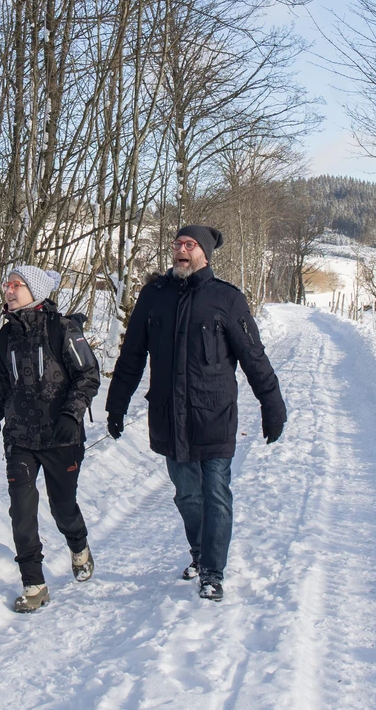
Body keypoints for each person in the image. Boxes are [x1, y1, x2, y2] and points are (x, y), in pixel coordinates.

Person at [104, 225, 285, 602]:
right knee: (187, 495)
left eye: (190, 245)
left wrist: (273, 405)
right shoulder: (153, 296)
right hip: (169, 415)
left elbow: (253, 356)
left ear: (205, 254)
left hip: (214, 413)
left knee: (216, 493)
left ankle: (213, 572)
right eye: (177, 244)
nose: (181, 250)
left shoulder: (226, 299)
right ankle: (201, 553)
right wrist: (116, 404)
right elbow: (133, 355)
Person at [0, 264, 100, 613]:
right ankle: (34, 584)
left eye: (17, 284)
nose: (9, 289)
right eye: (7, 283)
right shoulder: (5, 339)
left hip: (62, 437)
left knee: (63, 508)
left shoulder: (62, 330)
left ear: (36, 291)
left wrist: (70, 414)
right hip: (20, 439)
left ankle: (78, 545)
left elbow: (88, 375)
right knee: (22, 510)